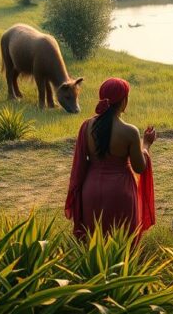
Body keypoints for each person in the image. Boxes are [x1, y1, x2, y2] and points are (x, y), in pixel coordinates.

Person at [65, 77, 156, 239]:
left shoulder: (87, 126)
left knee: (93, 240)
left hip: (91, 189)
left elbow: (80, 164)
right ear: (124, 101)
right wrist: (146, 144)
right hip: (120, 192)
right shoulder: (130, 132)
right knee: (122, 241)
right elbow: (139, 167)